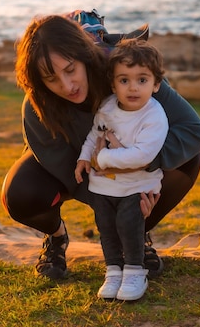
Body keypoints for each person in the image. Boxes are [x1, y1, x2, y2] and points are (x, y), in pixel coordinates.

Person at [1, 13, 200, 282]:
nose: (67, 86)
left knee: (187, 161)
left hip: (132, 159)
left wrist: (140, 170)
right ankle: (56, 238)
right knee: (20, 194)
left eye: (70, 69)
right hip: (75, 167)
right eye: (51, 79)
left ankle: (136, 235)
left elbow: (194, 131)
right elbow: (71, 176)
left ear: (84, 55)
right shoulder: (36, 105)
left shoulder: (126, 72)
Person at [74, 39, 168, 300]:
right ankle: (113, 270)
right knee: (106, 227)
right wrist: (85, 157)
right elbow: (95, 134)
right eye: (124, 80)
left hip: (136, 185)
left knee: (128, 224)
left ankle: (136, 271)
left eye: (142, 80)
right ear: (113, 84)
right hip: (103, 186)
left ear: (156, 84)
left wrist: (101, 159)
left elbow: (143, 154)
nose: (133, 87)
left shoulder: (153, 116)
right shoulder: (107, 106)